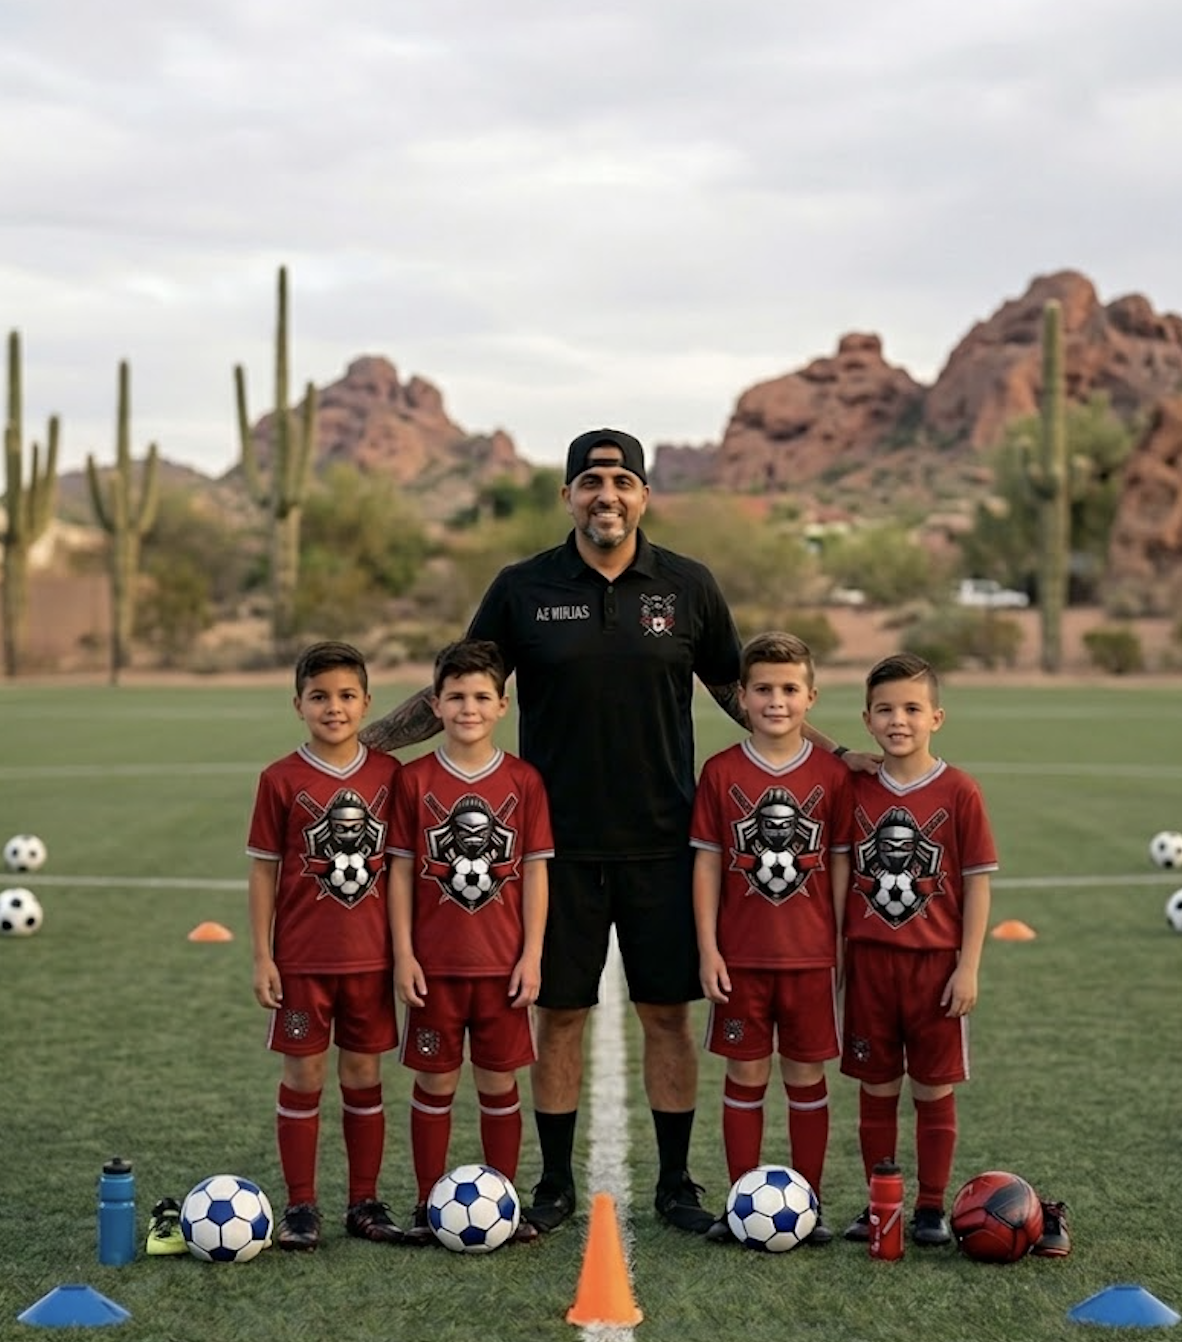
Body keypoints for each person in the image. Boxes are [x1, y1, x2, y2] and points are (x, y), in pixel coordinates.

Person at [363, 428, 866, 1234]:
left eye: (622, 481)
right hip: (550, 848)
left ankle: (676, 1184)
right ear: (567, 495)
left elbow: (743, 694)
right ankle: (555, 1183)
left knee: (667, 1014)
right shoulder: (522, 587)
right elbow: (453, 690)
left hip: (665, 841)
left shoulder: (688, 586)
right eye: (591, 481)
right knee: (559, 1016)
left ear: (643, 495)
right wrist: (362, 747)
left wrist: (835, 753)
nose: (607, 495)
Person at [386, 639, 552, 1244]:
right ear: (435, 704)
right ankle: (430, 1202)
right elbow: (401, 872)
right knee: (434, 1082)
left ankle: (501, 1202)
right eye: (455, 697)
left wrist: (532, 954)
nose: (469, 708)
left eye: (482, 696)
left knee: (498, 1082)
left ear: (503, 705)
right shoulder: (414, 780)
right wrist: (403, 953)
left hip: (502, 965)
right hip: (434, 966)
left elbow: (535, 871)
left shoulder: (523, 781)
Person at [691, 632, 852, 1245]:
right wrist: (708, 947)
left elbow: (839, 863)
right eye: (763, 689)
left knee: (807, 1078)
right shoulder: (722, 771)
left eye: (789, 689)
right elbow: (707, 864)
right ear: (741, 696)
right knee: (746, 1076)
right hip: (741, 956)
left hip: (810, 955)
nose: (776, 701)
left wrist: (838, 943)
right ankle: (741, 1203)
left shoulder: (832, 775)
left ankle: (806, 1206)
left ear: (811, 697)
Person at [247, 640, 406, 1250]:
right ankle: (301, 1205)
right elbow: (264, 870)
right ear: (298, 705)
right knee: (305, 1075)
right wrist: (263, 956)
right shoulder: (279, 779)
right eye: (319, 697)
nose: (333, 708)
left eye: (345, 696)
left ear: (367, 702)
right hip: (302, 960)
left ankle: (363, 1201)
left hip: (371, 959)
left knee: (365, 1076)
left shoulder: (390, 776)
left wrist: (403, 954)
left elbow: (401, 869)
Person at [840, 652, 995, 1247]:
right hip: (870, 962)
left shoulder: (959, 790)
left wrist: (969, 966)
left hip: (935, 966)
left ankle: (930, 1207)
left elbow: (978, 880)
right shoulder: (855, 786)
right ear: (867, 719)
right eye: (884, 709)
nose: (897, 720)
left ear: (937, 717)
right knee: (875, 1086)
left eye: (911, 708)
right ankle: (880, 1204)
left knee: (932, 1087)